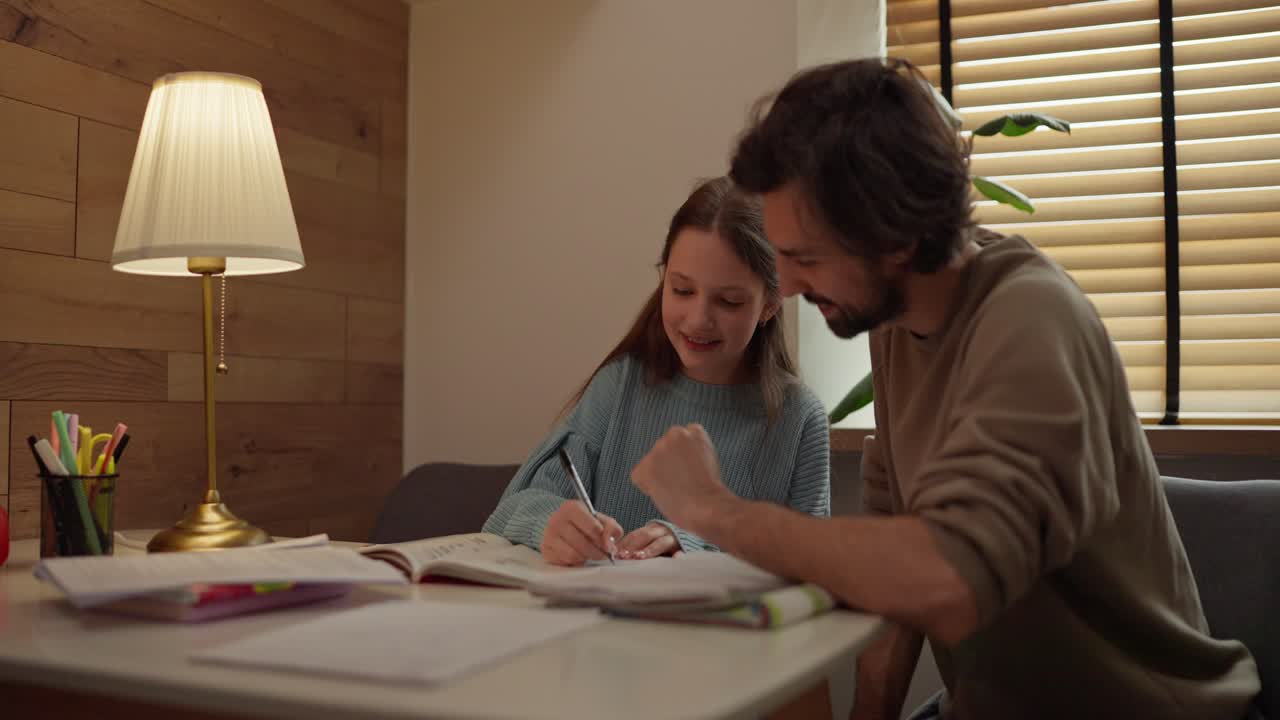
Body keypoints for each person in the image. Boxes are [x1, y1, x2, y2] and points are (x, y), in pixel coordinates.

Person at [628, 59, 1261, 719]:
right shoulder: (896, 320)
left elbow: (948, 578)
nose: (785, 286)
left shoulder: (1031, 320)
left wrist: (716, 511)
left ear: (896, 238)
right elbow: (892, 549)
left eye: (807, 258)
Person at [483, 176, 830, 566]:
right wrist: (552, 524)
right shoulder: (619, 386)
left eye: (729, 301)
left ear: (770, 304)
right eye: (682, 290)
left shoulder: (799, 420)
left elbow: (814, 565)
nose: (698, 320)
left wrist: (691, 543)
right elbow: (512, 509)